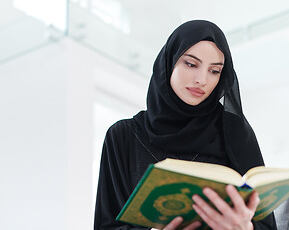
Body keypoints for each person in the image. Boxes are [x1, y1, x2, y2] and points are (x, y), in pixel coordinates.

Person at [94, 20, 277, 230]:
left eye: (215, 71)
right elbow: (105, 225)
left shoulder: (235, 132)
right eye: (191, 64)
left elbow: (267, 224)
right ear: (169, 62)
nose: (202, 80)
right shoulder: (123, 136)